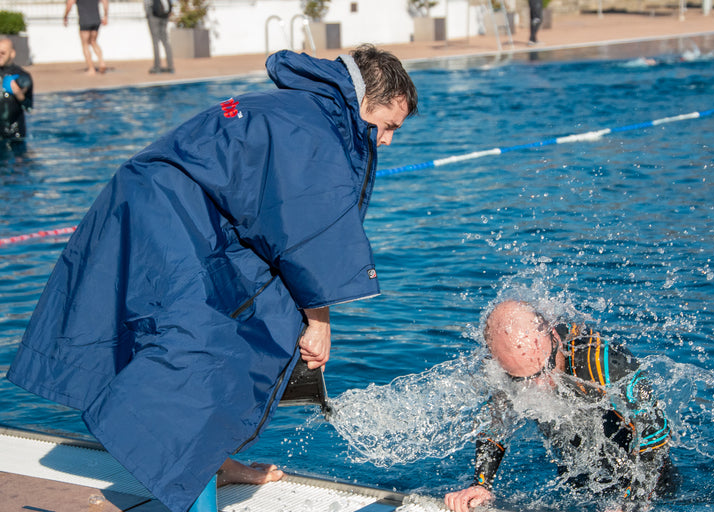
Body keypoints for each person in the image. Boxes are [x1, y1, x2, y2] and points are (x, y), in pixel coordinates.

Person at [8, 44, 417, 512]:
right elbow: (307, 232)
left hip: (146, 204)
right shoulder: (316, 131)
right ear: (367, 97)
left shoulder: (301, 106)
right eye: (387, 127)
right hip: (173, 218)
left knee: (226, 326)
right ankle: (197, 487)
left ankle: (216, 464)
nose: (385, 142)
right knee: (206, 350)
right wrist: (319, 322)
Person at [444, 300, 674, 512]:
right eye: (522, 379)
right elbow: (497, 421)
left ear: (553, 337)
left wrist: (632, 502)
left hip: (646, 482)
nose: (539, 386)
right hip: (578, 480)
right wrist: (481, 485)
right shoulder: (510, 365)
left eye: (544, 370)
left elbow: (656, 433)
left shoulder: (605, 361)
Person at [0, 38, 33, 142]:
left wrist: (18, 94)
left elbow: (29, 108)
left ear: (12, 53)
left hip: (16, 134)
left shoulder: (22, 77)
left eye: (3, 53)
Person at [63, 0, 109, 75]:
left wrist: (65, 16)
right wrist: (105, 16)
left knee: (85, 44)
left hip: (85, 20)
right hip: (96, 19)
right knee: (93, 42)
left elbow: (70, 3)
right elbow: (105, 2)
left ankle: (91, 69)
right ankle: (102, 63)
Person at [144, 0, 174, 73]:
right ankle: (170, 66)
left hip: (154, 16)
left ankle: (157, 66)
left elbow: (147, 3)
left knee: (155, 42)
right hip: (164, 15)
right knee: (166, 41)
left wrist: (148, 14)